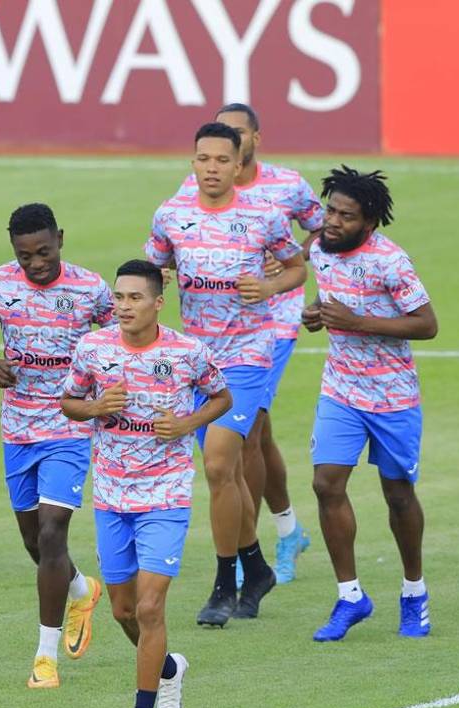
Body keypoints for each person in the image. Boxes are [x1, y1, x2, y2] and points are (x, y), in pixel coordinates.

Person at [62, 260, 230, 708]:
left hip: (166, 495)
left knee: (152, 606)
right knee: (123, 610)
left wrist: (187, 425)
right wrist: (96, 408)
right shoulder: (93, 348)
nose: (124, 306)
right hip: (112, 495)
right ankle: (169, 668)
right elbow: (70, 402)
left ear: (159, 302)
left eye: (135, 298)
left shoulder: (186, 352)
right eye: (119, 297)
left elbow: (221, 395)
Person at [146, 122, 306, 627]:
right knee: (230, 473)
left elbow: (298, 266)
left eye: (221, 160)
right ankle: (256, 567)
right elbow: (151, 267)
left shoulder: (263, 216)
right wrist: (159, 279)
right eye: (202, 159)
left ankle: (223, 583)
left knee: (216, 465)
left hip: (248, 354)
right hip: (197, 360)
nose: (211, 168)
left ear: (239, 165)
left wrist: (270, 285)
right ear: (192, 162)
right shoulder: (171, 216)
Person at [172, 103, 323, 585]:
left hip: (270, 323)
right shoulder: (184, 198)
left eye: (236, 138)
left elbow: (322, 227)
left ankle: (244, 557)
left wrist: (287, 266)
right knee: (250, 437)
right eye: (207, 154)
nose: (218, 158)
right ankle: (282, 530)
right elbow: (167, 247)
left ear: (253, 140)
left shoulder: (286, 186)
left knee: (245, 432)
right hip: (208, 336)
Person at [0, 203, 112, 689]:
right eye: (25, 255)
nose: (35, 264)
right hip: (18, 426)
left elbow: (119, 336)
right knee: (34, 541)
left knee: (53, 533)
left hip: (71, 425)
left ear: (61, 240)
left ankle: (44, 659)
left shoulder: (91, 289)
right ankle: (80, 588)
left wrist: (104, 387)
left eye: (44, 252)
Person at [302, 167, 437, 642]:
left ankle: (414, 592)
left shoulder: (391, 262)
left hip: (394, 397)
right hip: (341, 389)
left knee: (398, 494)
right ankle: (351, 596)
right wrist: (317, 315)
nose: (332, 221)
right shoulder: (319, 248)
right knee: (325, 483)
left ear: (370, 221)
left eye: (345, 215)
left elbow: (426, 324)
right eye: (330, 210)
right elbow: (332, 299)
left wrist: (358, 321)